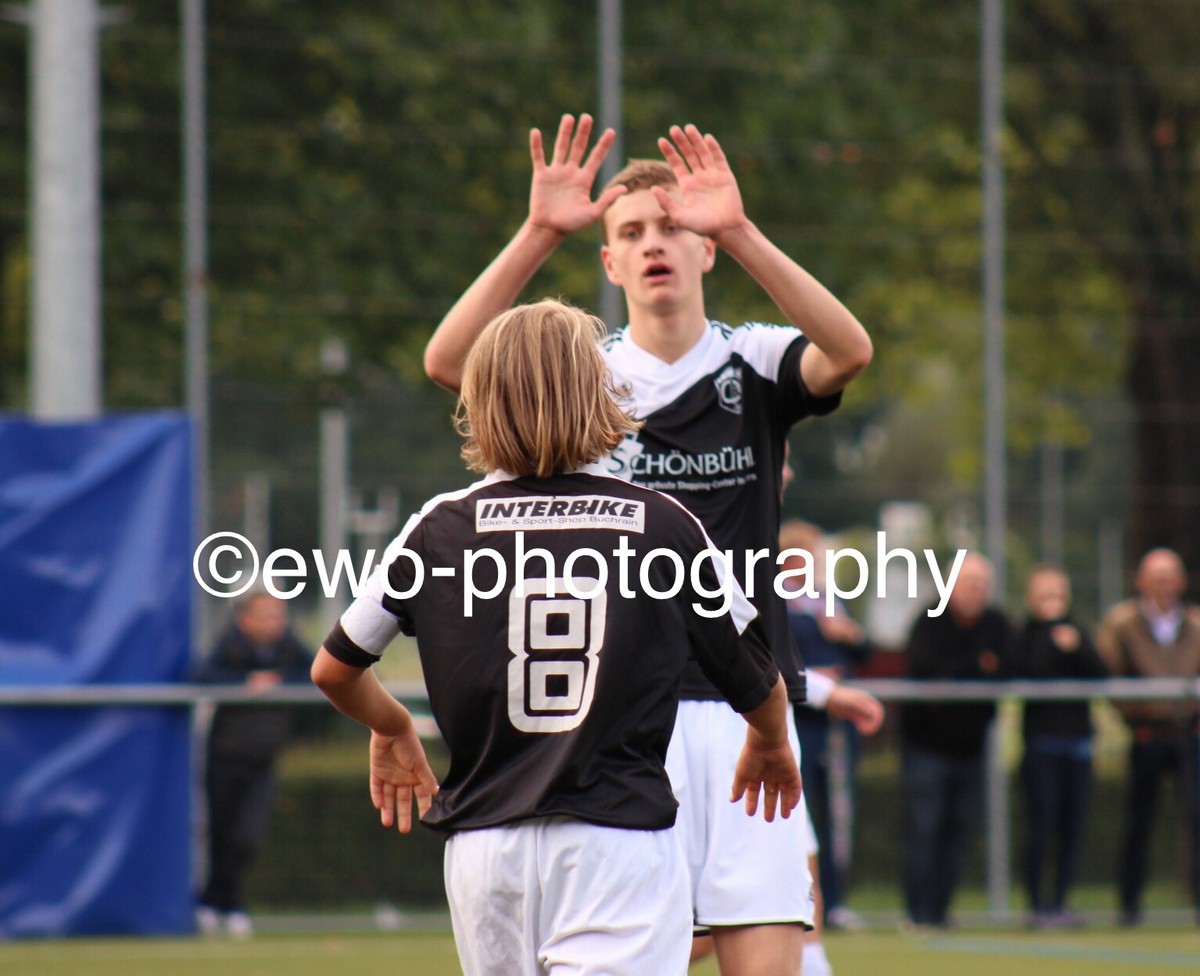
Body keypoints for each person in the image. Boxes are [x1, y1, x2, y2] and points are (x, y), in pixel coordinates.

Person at [424, 113, 874, 975]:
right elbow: (450, 360)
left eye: (673, 226)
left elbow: (849, 350)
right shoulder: (587, 377)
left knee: (771, 960)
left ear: (704, 250)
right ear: (610, 263)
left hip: (750, 716)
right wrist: (537, 231)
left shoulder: (757, 361)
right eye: (630, 232)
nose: (655, 243)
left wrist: (739, 229)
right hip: (631, 723)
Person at [310, 299, 802, 976]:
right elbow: (754, 672)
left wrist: (392, 725)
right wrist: (772, 740)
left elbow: (334, 669)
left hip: (485, 851)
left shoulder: (439, 524)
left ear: (480, 400)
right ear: (601, 395)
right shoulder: (662, 523)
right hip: (616, 842)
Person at [898, 552, 1011, 930]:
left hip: (972, 748)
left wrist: (965, 674)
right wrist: (977, 666)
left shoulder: (996, 623)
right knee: (924, 829)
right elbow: (928, 669)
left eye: (982, 584)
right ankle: (918, 913)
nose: (976, 591)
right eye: (968, 583)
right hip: (927, 748)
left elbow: (1009, 666)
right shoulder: (929, 620)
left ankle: (941, 911)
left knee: (959, 833)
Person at [193, 591, 313, 937]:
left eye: (278, 615)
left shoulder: (288, 647)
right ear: (245, 619)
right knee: (220, 832)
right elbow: (200, 675)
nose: (274, 623)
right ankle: (216, 904)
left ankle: (223, 902)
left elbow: (318, 671)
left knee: (247, 835)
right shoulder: (230, 646)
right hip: (225, 757)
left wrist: (278, 683)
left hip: (264, 759)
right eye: (266, 615)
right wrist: (244, 685)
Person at [1096, 547, 1200, 927]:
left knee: (1196, 814)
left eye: (1170, 575)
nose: (1163, 584)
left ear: (1181, 581)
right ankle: (1129, 903)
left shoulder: (1194, 623)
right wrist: (1136, 717)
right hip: (1146, 734)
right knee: (1140, 820)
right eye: (1155, 576)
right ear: (1140, 580)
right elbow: (1111, 675)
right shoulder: (1123, 623)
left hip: (1189, 733)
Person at [780, 519, 874, 932]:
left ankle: (834, 902)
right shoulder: (773, 602)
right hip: (795, 722)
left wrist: (850, 634)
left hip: (835, 729)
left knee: (835, 813)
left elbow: (866, 652)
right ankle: (792, 897)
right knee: (795, 812)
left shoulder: (830, 600)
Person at [1012, 564, 1107, 929]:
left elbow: (1100, 673)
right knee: (1041, 825)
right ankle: (1037, 905)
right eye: (1045, 594)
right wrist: (1051, 637)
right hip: (1042, 746)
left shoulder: (1080, 633)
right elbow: (1025, 670)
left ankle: (1061, 902)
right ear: (1032, 598)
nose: (1053, 602)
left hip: (1078, 745)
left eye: (1058, 594)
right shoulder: (1024, 636)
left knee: (1072, 828)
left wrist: (1077, 646)